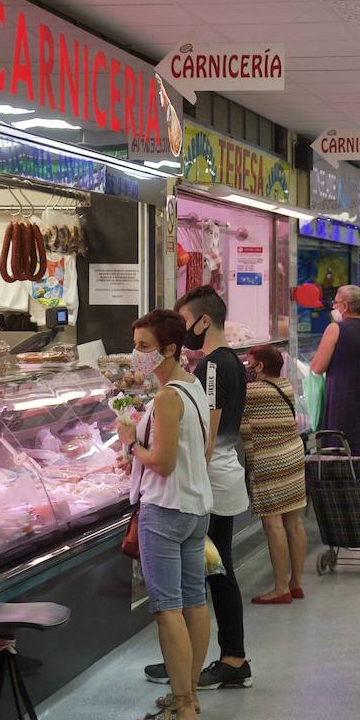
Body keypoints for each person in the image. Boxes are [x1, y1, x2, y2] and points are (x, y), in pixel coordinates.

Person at [142, 286, 252, 691]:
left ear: (204, 322)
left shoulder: (212, 367)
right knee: (212, 574)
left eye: (186, 322)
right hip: (224, 478)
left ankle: (231, 659)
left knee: (215, 574)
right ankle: (191, 658)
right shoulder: (231, 362)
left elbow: (207, 434)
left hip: (213, 481)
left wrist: (191, 479)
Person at [116, 309, 212, 720]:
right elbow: (198, 453)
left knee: (166, 608)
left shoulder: (165, 397)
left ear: (169, 349)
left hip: (165, 511)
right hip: (195, 510)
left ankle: (182, 704)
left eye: (143, 347)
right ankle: (188, 691)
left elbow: (164, 462)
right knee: (194, 601)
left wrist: (131, 444)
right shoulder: (192, 388)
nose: (136, 355)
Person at [240, 345, 308, 604]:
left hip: (268, 460)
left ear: (259, 366)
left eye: (249, 363)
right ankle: (296, 583)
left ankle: (280, 588)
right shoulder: (286, 385)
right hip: (292, 455)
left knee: (273, 525)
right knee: (294, 521)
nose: (247, 368)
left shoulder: (253, 391)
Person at [311, 285, 360, 460]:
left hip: (344, 400)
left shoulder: (335, 329)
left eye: (336, 303)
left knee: (343, 453)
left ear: (345, 306)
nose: (334, 307)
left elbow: (317, 368)